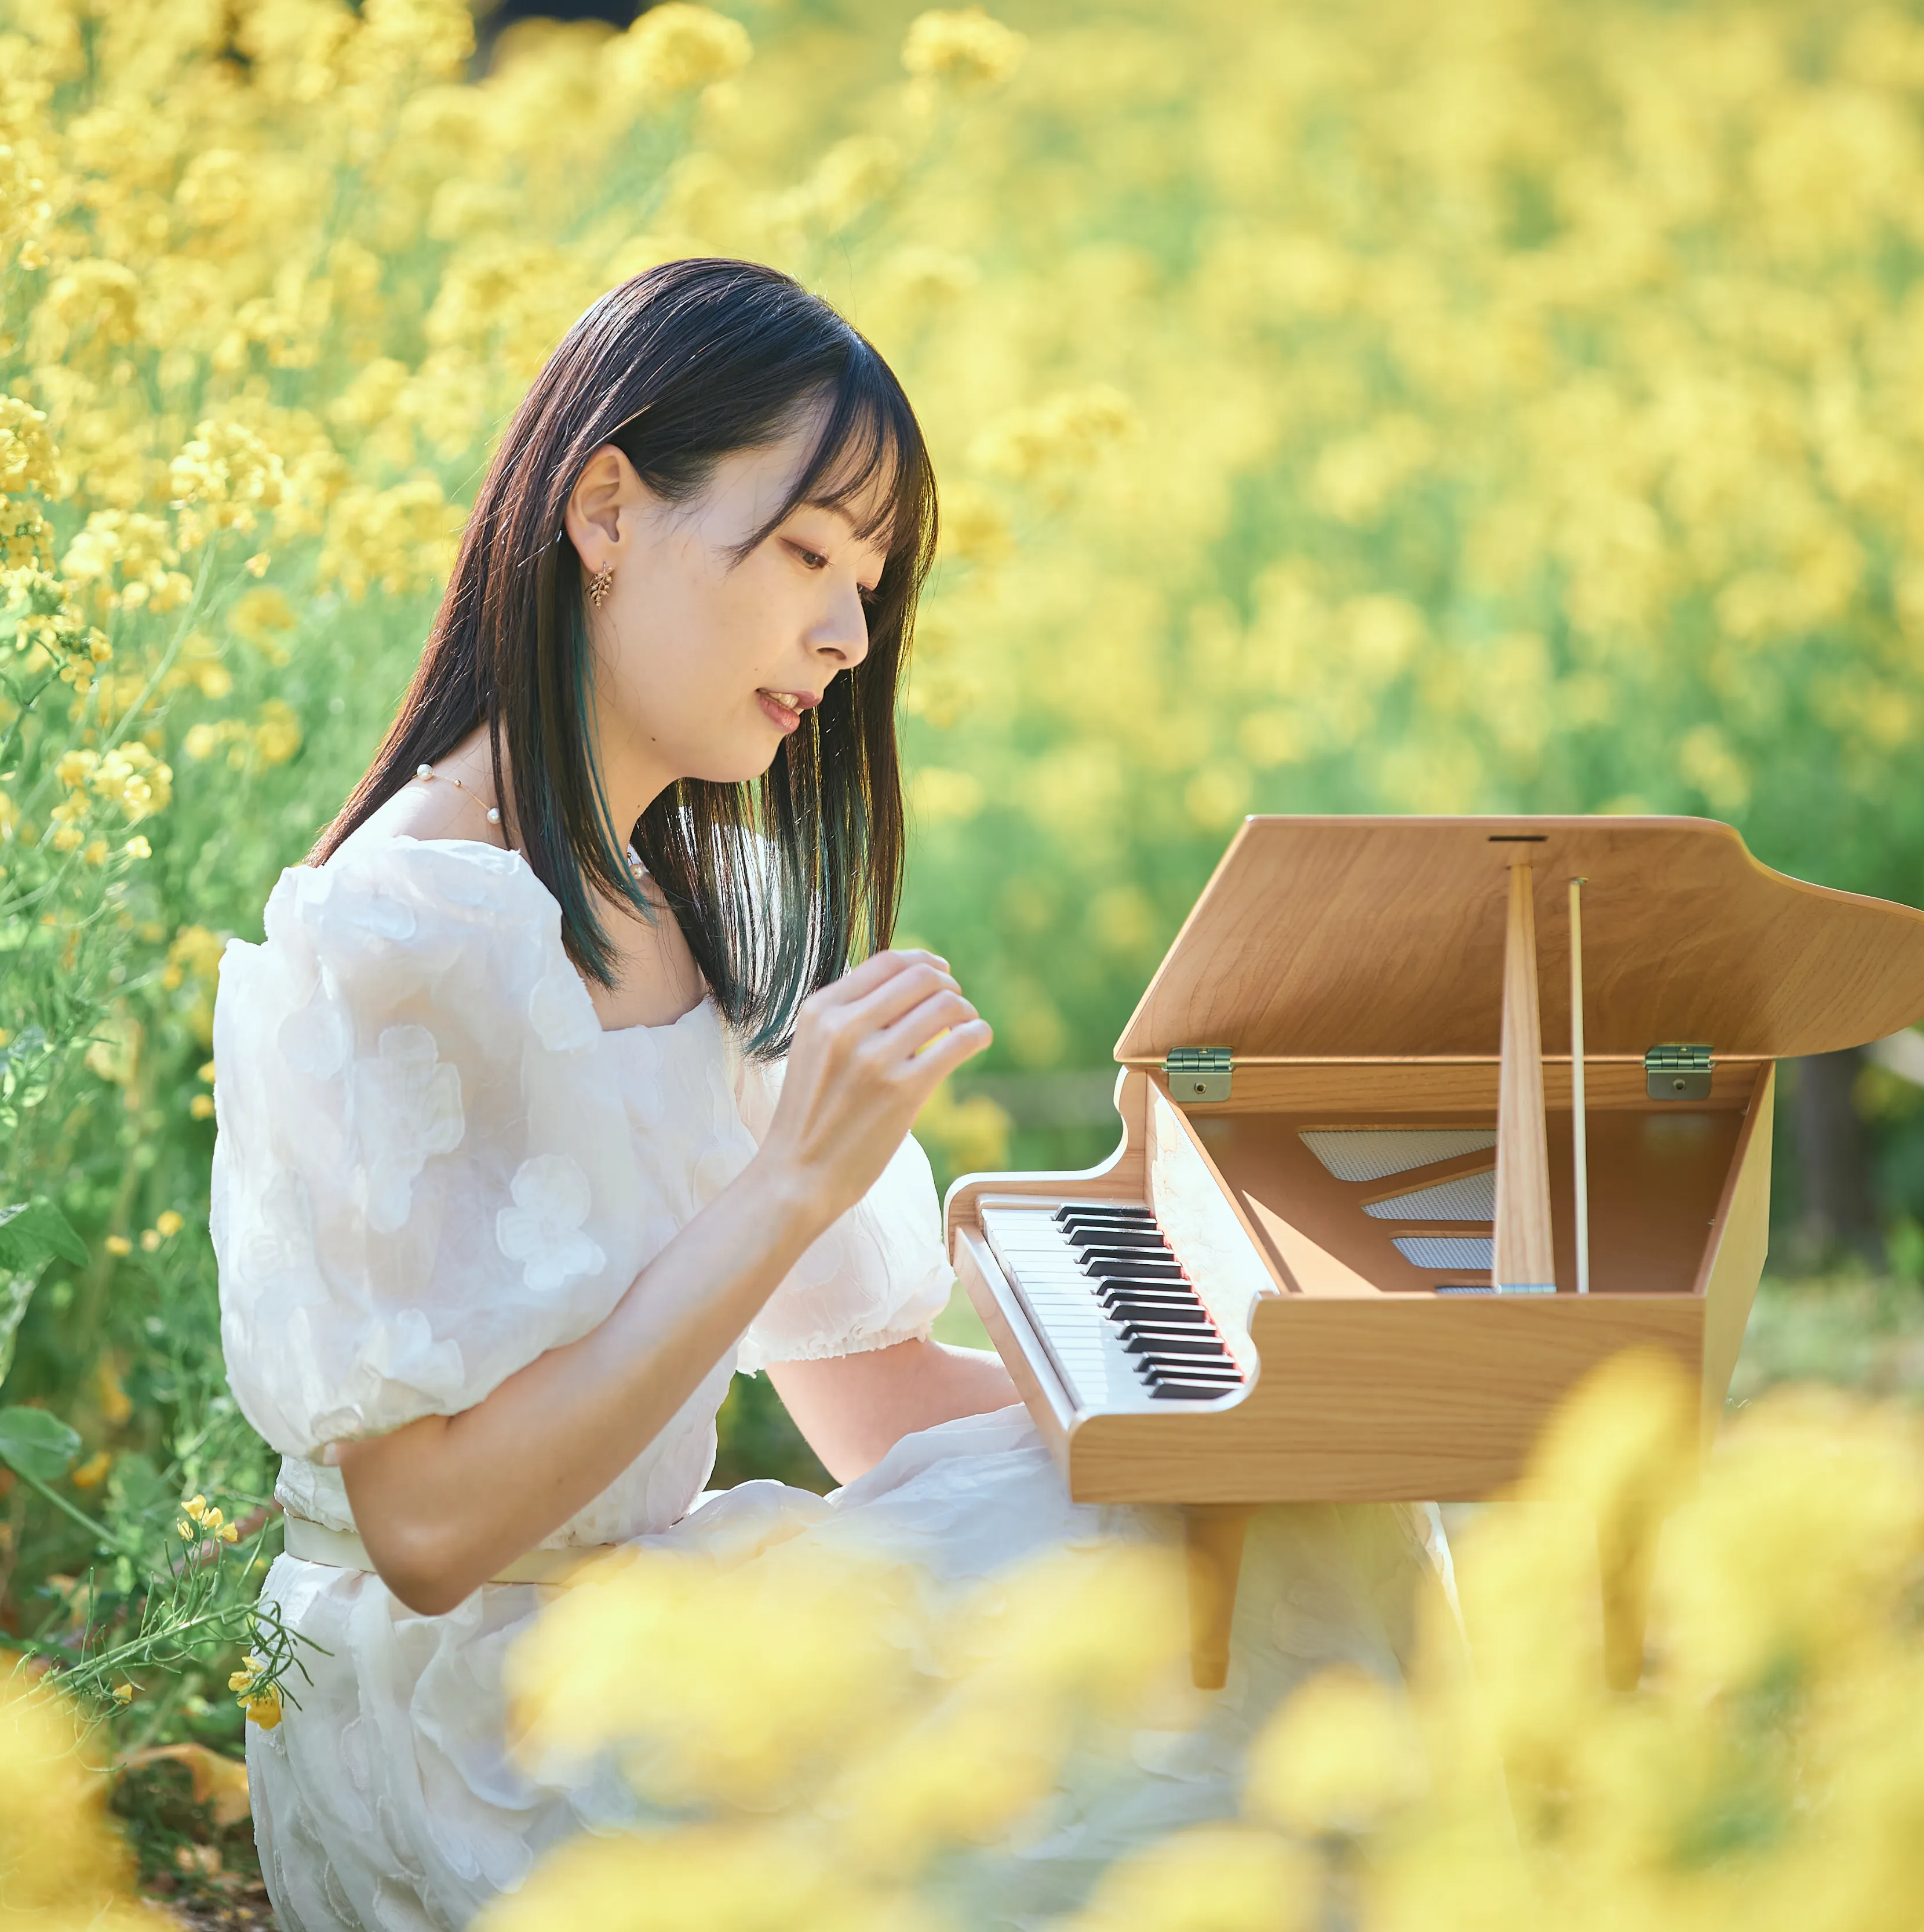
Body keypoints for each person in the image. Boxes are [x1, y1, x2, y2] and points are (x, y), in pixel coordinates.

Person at [210, 257, 1444, 1931]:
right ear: (605, 511)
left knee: (1306, 1542)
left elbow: (863, 1400)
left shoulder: (716, 908)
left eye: (866, 581)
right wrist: (782, 1186)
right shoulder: (405, 924)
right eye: (805, 553)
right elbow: (425, 1529)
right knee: (1180, 1742)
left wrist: (1230, 1424)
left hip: (663, 1631)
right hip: (483, 1740)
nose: (847, 635)